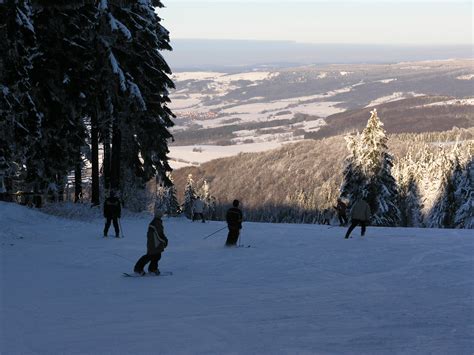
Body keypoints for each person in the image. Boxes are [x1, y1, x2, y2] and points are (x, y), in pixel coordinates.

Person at [133, 210, 168, 275]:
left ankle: (152, 269)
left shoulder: (156, 222)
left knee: (156, 255)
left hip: (154, 242)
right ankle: (139, 269)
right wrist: (165, 241)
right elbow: (159, 234)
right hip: (155, 243)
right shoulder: (156, 222)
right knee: (151, 255)